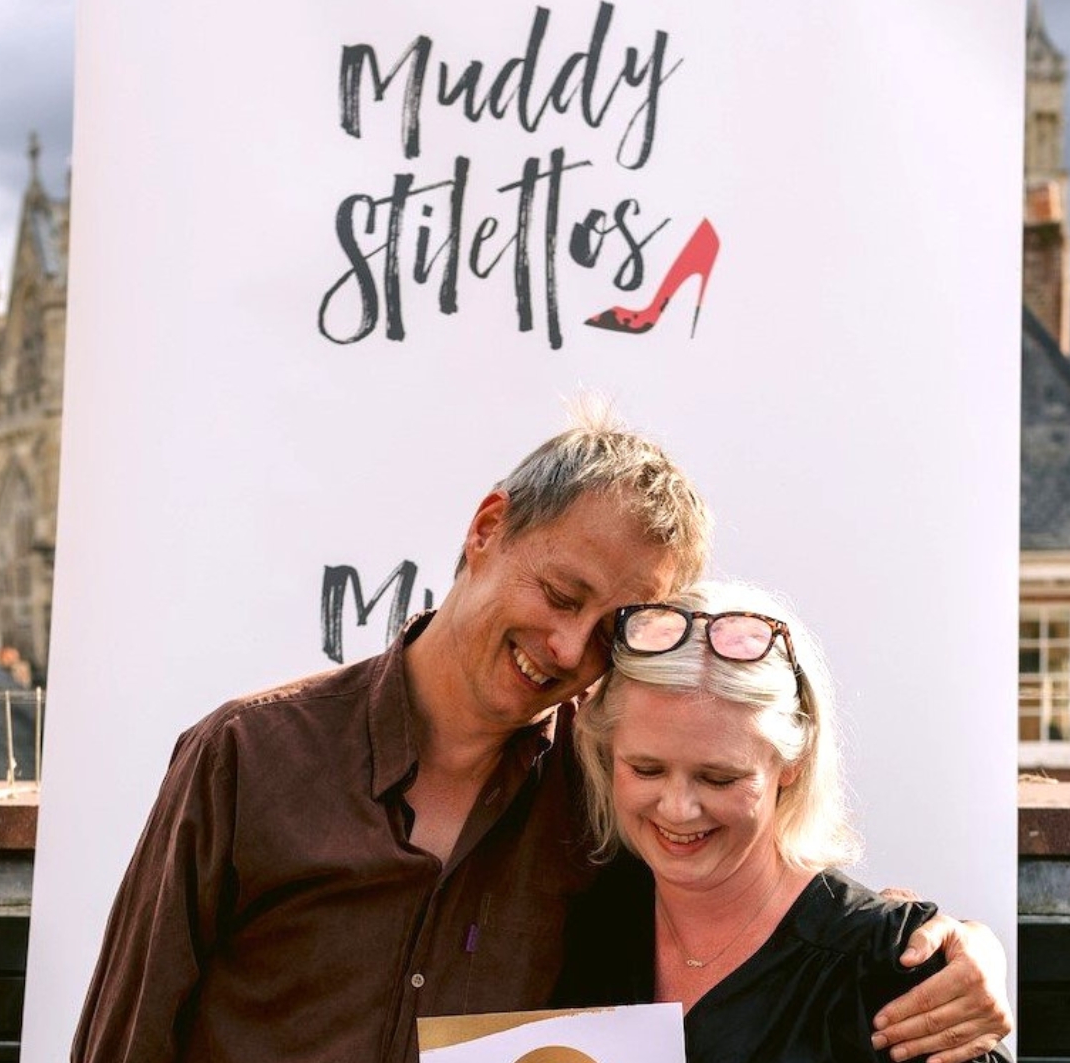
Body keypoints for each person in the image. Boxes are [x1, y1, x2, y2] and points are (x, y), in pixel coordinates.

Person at [73, 414, 1012, 1063]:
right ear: (487, 530)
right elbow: (124, 1037)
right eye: (560, 595)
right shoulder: (247, 756)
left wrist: (954, 947)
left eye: (609, 631)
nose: (567, 647)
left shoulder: (608, 788)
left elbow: (759, 896)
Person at [558, 582, 1010, 1063]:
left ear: (792, 762)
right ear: (606, 753)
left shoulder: (893, 964)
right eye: (646, 769)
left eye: (719, 778)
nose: (677, 808)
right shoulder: (588, 923)